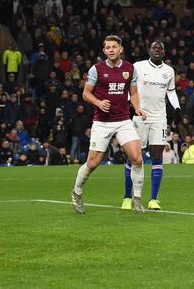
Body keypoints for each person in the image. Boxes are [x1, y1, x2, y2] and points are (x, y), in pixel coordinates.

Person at [71, 35, 146, 214]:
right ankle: (76, 192)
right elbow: (85, 93)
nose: (111, 50)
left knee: (137, 158)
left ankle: (136, 198)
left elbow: (133, 93)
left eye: (114, 47)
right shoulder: (97, 69)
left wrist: (137, 108)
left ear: (121, 49)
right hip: (102, 122)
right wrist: (98, 102)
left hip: (123, 120)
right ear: (104, 51)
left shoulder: (130, 69)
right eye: (108, 47)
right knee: (93, 163)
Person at [129, 41, 180, 211]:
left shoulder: (169, 71)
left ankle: (153, 199)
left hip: (159, 117)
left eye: (160, 49)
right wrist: (129, 105)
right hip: (140, 115)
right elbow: (131, 88)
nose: (157, 51)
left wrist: (177, 108)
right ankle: (127, 197)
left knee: (157, 155)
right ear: (149, 51)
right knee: (135, 155)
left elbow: (171, 92)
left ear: (164, 52)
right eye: (154, 48)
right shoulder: (138, 66)